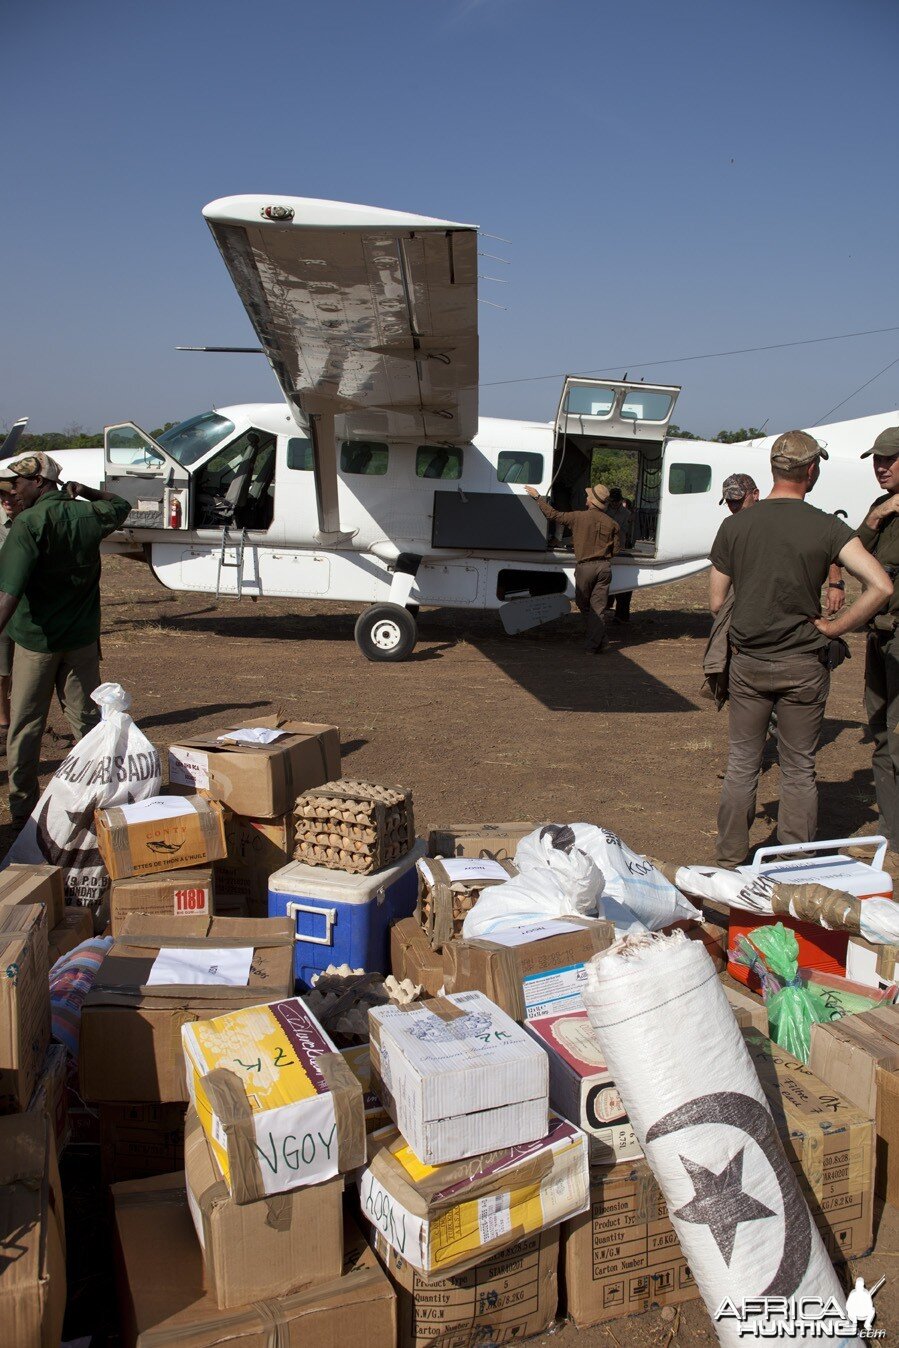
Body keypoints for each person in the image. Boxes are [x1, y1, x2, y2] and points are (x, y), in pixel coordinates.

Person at [709, 430, 891, 869]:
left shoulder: (734, 525)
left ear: (773, 469)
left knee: (741, 765)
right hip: (804, 665)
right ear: (812, 470)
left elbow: (717, 603)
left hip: (749, 664)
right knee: (798, 769)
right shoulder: (826, 525)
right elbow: (881, 585)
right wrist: (834, 627)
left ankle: (730, 859)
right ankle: (793, 863)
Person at [0, 454, 131, 827]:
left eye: (18, 484)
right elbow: (120, 505)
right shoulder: (88, 515)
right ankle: (96, 801)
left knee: (26, 725)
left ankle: (22, 807)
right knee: (88, 722)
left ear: (39, 482)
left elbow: (8, 592)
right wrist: (86, 491)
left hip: (38, 642)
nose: (13, 491)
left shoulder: (29, 524)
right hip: (82, 640)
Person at [856, 425, 899, 852]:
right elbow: (854, 553)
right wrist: (875, 518)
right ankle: (892, 832)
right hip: (881, 634)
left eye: (889, 459)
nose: (881, 466)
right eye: (877, 459)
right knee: (882, 733)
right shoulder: (881, 507)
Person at [525, 482, 621, 652]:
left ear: (591, 502)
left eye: (588, 497)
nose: (586, 499)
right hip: (605, 567)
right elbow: (616, 550)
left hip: (586, 567)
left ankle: (593, 646)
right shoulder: (613, 523)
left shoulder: (577, 517)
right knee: (598, 608)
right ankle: (602, 641)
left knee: (584, 605)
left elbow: (553, 515)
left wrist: (538, 498)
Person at [0, 489, 23, 738]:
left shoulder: (36, 520)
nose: (6, 499)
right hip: (3, 600)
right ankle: (4, 724)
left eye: (12, 493)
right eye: (1, 494)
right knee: (2, 667)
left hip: (32, 605)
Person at [605, 487, 633, 623]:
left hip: (619, 547)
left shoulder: (626, 513)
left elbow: (624, 532)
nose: (614, 504)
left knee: (623, 584)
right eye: (612, 501)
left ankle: (621, 615)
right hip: (605, 547)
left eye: (616, 501)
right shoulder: (604, 510)